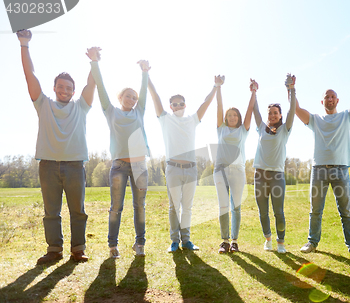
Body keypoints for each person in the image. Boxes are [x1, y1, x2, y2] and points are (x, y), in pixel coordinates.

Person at [17, 29, 96, 264]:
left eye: (69, 88)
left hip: (74, 165)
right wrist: (24, 44)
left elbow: (92, 84)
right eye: (61, 87)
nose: (65, 90)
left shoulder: (81, 107)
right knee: (51, 212)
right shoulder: (43, 104)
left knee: (77, 211)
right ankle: (54, 250)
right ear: (54, 88)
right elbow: (29, 75)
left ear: (73, 91)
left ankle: (78, 249)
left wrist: (93, 61)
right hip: (48, 165)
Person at [148, 74, 224, 252]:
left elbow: (205, 103)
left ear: (185, 105)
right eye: (174, 104)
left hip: (190, 169)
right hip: (173, 168)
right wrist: (147, 76)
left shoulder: (192, 119)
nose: (177, 106)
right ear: (170, 107)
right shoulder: (165, 119)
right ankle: (174, 241)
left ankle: (186, 240)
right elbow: (155, 97)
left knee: (187, 207)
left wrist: (215, 86)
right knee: (174, 207)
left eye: (180, 103)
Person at [89, 49, 151, 259]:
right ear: (121, 97)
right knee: (116, 207)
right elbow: (101, 90)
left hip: (140, 166)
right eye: (128, 96)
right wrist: (95, 63)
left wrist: (144, 72)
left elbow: (143, 92)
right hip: (119, 166)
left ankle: (139, 244)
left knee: (139, 207)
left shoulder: (139, 111)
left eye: (134, 97)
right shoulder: (111, 111)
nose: (132, 99)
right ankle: (112, 246)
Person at [296, 82, 350, 259]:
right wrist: (291, 88)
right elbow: (296, 109)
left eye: (332, 96)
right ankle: (312, 242)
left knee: (346, 211)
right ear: (322, 102)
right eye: (326, 96)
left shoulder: (346, 117)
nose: (329, 99)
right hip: (319, 169)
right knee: (315, 210)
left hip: (340, 169)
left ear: (337, 100)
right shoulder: (315, 120)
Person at [253, 74, 296, 254]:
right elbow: (255, 111)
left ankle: (280, 242)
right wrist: (254, 92)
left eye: (275, 113)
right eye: (269, 113)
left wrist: (292, 89)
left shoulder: (285, 130)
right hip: (260, 175)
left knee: (278, 211)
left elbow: (292, 110)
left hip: (277, 176)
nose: (271, 115)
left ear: (280, 115)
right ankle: (268, 239)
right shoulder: (261, 128)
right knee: (263, 212)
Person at [214, 78, 255, 253]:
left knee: (236, 207)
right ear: (226, 118)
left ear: (238, 118)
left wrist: (253, 93)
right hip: (220, 170)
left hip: (238, 171)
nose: (232, 117)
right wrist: (218, 88)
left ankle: (234, 241)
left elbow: (249, 111)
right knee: (223, 206)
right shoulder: (221, 129)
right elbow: (219, 107)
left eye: (235, 115)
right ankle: (224, 241)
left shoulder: (243, 131)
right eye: (229, 115)